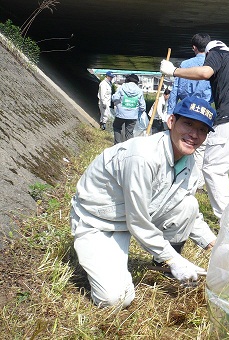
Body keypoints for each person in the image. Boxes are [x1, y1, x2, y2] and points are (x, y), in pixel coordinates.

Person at [70, 96, 218, 309]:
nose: (194, 135)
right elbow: (138, 221)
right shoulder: (144, 157)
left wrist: (216, 247)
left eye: (202, 130)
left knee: (189, 206)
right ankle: (168, 260)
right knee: (116, 299)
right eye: (188, 124)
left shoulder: (188, 159)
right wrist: (175, 258)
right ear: (171, 122)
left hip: (132, 217)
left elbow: (185, 209)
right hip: (99, 221)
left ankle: (163, 265)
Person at [160, 40, 229, 219]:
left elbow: (205, 72)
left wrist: (173, 71)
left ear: (208, 53)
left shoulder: (217, 54)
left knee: (213, 168)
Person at [167, 33, 212, 190]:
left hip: (185, 111)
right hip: (205, 112)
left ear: (194, 47)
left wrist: (170, 112)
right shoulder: (211, 65)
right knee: (199, 148)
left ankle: (176, 175)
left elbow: (175, 91)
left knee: (180, 143)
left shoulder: (185, 65)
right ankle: (196, 183)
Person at [111, 73, 146, 144]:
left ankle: (117, 144)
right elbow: (143, 107)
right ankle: (128, 148)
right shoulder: (139, 91)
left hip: (120, 113)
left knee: (117, 127)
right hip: (133, 116)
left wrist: (117, 103)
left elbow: (115, 98)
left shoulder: (122, 87)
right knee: (129, 132)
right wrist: (138, 112)